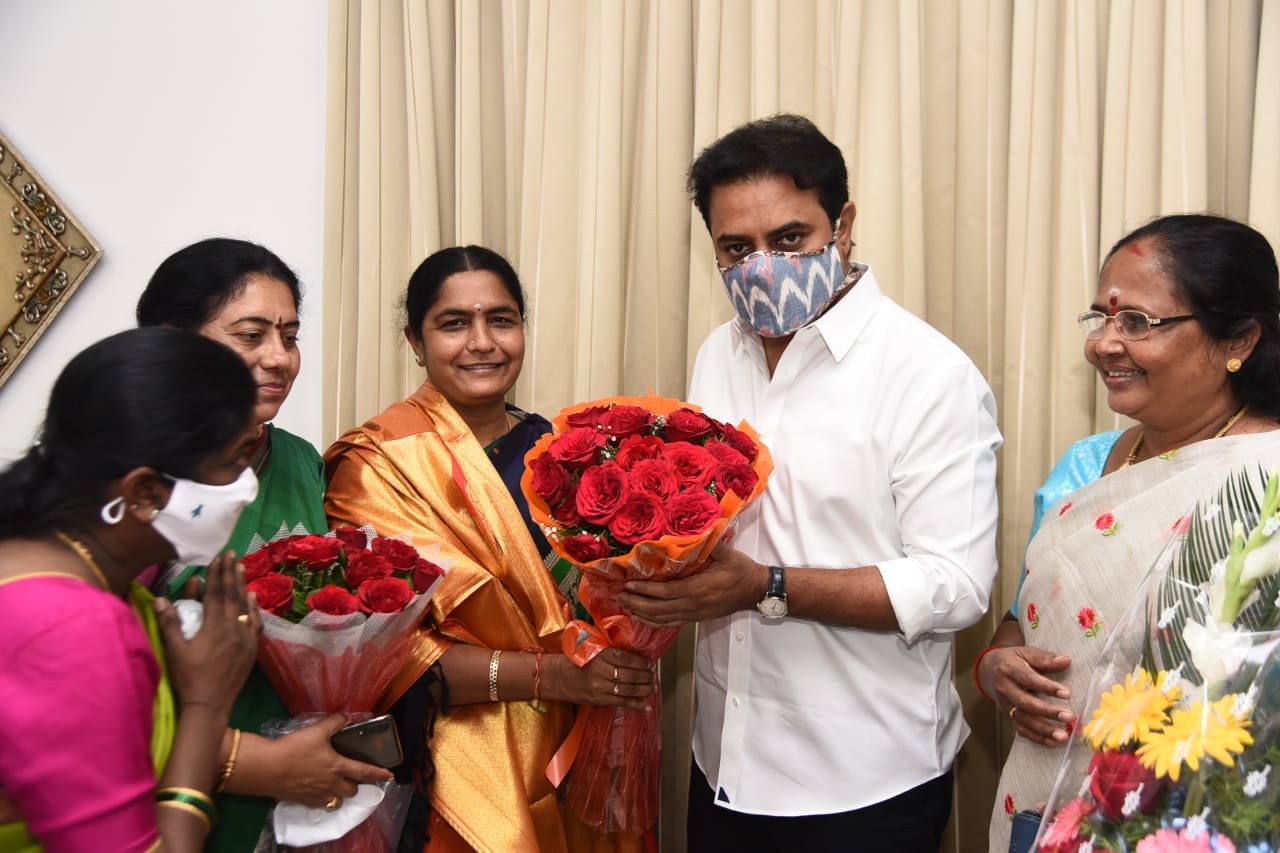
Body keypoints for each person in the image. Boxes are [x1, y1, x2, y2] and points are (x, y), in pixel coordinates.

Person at [616, 114, 1003, 852]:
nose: (762, 265)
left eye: (789, 238)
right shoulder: (716, 355)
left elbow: (955, 586)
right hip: (724, 761)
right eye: (737, 247)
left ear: (843, 224)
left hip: (865, 781)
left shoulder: (928, 375)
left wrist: (764, 584)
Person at [324, 245, 653, 852]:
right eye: (454, 323)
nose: (483, 342)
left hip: (581, 752)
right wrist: (557, 676)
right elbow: (393, 653)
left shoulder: (569, 458)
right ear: (416, 343)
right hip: (454, 769)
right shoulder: (377, 467)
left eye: (501, 320)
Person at [979, 213, 1280, 852]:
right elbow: (1024, 623)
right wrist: (995, 667)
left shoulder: (1268, 480)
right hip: (1041, 807)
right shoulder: (1089, 465)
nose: (1104, 344)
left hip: (1193, 819)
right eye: (1100, 318)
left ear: (1241, 340)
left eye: (1138, 323)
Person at [136, 237, 391, 851]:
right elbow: (80, 695)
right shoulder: (131, 475)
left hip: (299, 794)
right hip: (159, 795)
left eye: (290, 335)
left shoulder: (301, 459)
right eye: (250, 335)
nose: (279, 358)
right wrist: (251, 763)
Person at [0, 327, 262, 853]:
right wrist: (208, 703)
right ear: (144, 493)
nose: (247, 484)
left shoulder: (67, 564)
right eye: (233, 462)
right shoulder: (76, 631)